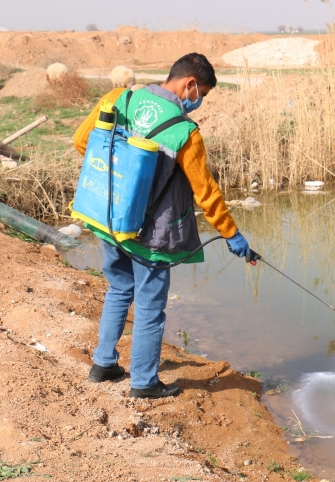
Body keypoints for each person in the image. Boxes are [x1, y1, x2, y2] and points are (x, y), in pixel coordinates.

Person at [72, 53, 250, 399]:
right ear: (190, 85)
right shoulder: (184, 132)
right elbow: (206, 192)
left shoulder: (117, 98)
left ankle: (103, 363)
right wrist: (231, 233)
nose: (197, 103)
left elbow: (83, 141)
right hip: (151, 236)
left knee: (119, 289)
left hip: (110, 219)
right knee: (151, 306)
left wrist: (123, 181)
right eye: (202, 95)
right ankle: (143, 383)